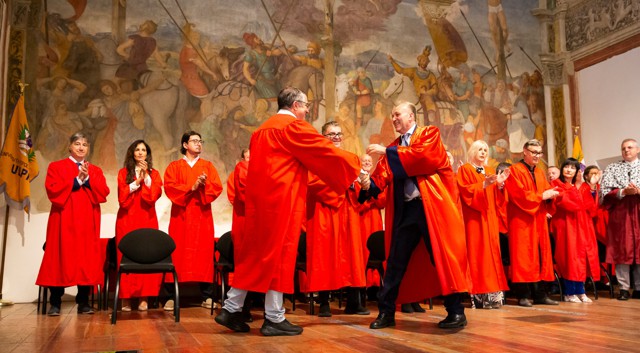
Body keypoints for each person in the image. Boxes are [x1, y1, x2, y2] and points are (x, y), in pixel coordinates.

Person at [215, 87, 360, 336]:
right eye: (305, 105)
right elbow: (323, 151)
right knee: (279, 256)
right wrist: (355, 166)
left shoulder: (261, 130)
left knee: (264, 257)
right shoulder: (292, 127)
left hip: (262, 203)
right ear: (295, 105)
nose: (307, 110)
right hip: (283, 201)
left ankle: (245, 310)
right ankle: (257, 314)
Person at [359, 101, 470, 329]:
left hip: (433, 208)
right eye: (392, 115)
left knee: (441, 259)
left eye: (397, 114)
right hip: (407, 211)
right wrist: (365, 183)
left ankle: (456, 312)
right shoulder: (394, 148)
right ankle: (386, 313)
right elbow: (381, 179)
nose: (393, 119)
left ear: (411, 116)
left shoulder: (429, 134)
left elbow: (424, 158)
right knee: (395, 263)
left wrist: (386, 151)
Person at [36, 132, 110, 316]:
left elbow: (103, 193)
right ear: (70, 146)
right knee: (60, 258)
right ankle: (55, 302)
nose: (81, 147)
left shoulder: (95, 170)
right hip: (63, 220)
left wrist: (88, 179)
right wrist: (77, 180)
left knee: (85, 260)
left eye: (85, 144)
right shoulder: (57, 167)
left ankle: (83, 302)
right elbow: (52, 191)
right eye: (77, 143)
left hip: (87, 221)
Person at [305, 121, 368, 317]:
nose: (337, 138)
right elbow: (313, 183)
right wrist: (343, 183)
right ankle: (323, 301)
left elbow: (357, 185)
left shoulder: (350, 158)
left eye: (339, 134)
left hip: (348, 211)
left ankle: (353, 301)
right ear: (323, 137)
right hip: (325, 211)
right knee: (324, 255)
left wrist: (363, 184)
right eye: (332, 134)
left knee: (351, 255)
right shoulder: (315, 160)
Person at [163, 131, 223, 311]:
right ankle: (171, 297)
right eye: (194, 141)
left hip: (201, 217)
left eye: (200, 141)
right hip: (180, 217)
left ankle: (207, 296)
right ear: (184, 145)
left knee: (203, 254)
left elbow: (217, 187)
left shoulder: (207, 166)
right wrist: (192, 186)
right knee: (177, 254)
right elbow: (170, 187)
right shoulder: (174, 166)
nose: (198, 144)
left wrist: (204, 186)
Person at [503, 139, 559, 307]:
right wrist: (542, 197)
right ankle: (523, 295)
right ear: (525, 152)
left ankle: (540, 294)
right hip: (521, 220)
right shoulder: (514, 170)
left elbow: (546, 193)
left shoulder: (540, 173)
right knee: (523, 257)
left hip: (538, 220)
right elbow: (518, 195)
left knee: (541, 255)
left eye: (539, 153)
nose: (537, 156)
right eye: (534, 152)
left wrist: (551, 196)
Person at [456, 140, 510, 309]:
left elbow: (498, 199)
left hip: (490, 216)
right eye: (480, 149)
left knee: (493, 253)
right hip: (474, 217)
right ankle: (478, 295)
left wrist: (500, 185)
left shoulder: (489, 170)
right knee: (478, 253)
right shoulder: (465, 169)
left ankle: (493, 295)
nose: (483, 152)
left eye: (486, 149)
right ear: (472, 151)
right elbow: (464, 191)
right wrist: (484, 184)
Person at [115, 140, 163, 311]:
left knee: (146, 258)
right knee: (126, 257)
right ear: (132, 153)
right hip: (127, 220)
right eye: (137, 149)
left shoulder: (154, 174)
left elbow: (154, 196)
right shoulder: (123, 173)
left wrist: (146, 177)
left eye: (144, 150)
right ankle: (125, 298)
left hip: (147, 219)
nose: (141, 152)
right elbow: (122, 199)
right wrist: (136, 182)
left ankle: (144, 296)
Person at [549, 158, 600, 303]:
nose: (569, 170)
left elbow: (590, 208)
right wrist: (578, 188)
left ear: (577, 171)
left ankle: (581, 290)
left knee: (581, 257)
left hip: (581, 226)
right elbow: (569, 204)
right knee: (569, 257)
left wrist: (591, 188)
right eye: (566, 167)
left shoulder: (582, 186)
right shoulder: (556, 184)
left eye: (573, 168)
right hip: (565, 226)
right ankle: (569, 292)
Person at [600, 138, 640, 300]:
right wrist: (623, 192)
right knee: (622, 250)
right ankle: (623, 288)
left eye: (630, 147)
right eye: (623, 148)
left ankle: (639, 288)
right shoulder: (612, 168)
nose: (626, 151)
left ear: (637, 150)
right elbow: (605, 193)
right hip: (621, 214)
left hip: (638, 210)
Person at [388, 47, 438, 126]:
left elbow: (435, 89)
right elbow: (401, 70)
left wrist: (426, 92)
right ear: (419, 61)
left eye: (426, 61)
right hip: (414, 95)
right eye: (423, 60)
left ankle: (430, 123)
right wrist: (392, 61)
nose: (424, 62)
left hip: (425, 97)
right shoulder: (413, 71)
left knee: (430, 105)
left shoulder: (431, 75)